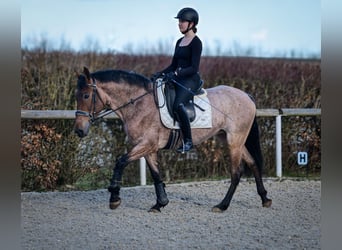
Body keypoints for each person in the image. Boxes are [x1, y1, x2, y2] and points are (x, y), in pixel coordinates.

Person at [153, 7, 203, 153]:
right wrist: (160, 74)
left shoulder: (196, 43)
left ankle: (188, 142)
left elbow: (194, 68)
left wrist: (176, 73)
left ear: (191, 24)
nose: (179, 24)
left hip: (190, 80)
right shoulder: (179, 41)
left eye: (182, 21)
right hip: (178, 78)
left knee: (178, 104)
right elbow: (173, 65)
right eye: (179, 21)